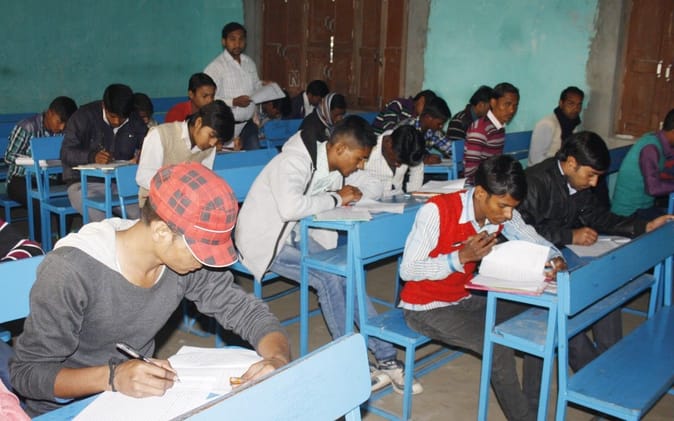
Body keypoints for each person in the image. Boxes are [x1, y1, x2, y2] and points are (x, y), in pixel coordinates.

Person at [10, 162, 290, 416]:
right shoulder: (70, 271)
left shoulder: (183, 262)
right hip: (67, 407)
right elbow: (27, 374)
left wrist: (277, 359)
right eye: (201, 252)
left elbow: (247, 313)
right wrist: (113, 377)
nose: (206, 263)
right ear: (161, 232)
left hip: (135, 398)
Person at [235, 116, 421, 394]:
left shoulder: (333, 166)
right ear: (341, 149)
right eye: (359, 159)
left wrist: (344, 196)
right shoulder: (293, 161)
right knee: (329, 279)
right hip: (263, 241)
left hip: (294, 236)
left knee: (348, 271)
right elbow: (290, 207)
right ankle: (350, 361)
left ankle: (386, 357)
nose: (361, 165)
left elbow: (357, 188)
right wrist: (337, 197)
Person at [399, 155, 564, 421]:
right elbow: (407, 269)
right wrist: (459, 258)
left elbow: (528, 236)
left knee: (538, 316)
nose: (508, 214)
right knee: (498, 347)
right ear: (480, 193)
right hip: (425, 308)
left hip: (464, 296)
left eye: (512, 207)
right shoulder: (437, 211)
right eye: (503, 206)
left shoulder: (499, 209)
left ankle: (533, 405)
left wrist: (554, 257)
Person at [517, 131, 673, 387]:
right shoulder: (534, 182)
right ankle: (600, 382)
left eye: (598, 176)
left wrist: (643, 227)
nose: (594, 183)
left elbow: (599, 217)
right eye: (590, 175)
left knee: (604, 288)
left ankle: (612, 361)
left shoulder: (576, 182)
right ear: (571, 163)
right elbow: (522, 232)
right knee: (570, 321)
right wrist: (570, 235)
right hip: (531, 263)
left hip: (561, 256)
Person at [60, 84, 148, 222]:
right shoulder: (83, 117)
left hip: (120, 184)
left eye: (122, 118)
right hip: (83, 184)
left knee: (144, 218)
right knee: (104, 222)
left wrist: (143, 154)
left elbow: (148, 143)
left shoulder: (134, 119)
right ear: (103, 105)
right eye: (112, 116)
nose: (117, 121)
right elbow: (66, 153)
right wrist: (92, 156)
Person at [3, 96, 77, 242]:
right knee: (38, 201)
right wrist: (33, 161)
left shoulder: (64, 132)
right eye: (59, 122)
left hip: (47, 178)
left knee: (70, 193)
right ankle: (39, 242)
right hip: (20, 179)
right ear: (49, 113)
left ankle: (64, 238)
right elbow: (8, 156)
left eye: (65, 124)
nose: (61, 127)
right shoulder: (27, 127)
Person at [136, 100, 234, 207]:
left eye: (218, 140)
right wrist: (177, 191)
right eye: (211, 135)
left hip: (186, 207)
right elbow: (144, 176)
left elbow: (203, 181)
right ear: (198, 122)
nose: (212, 143)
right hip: (153, 206)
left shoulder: (209, 148)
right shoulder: (160, 134)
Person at [204, 22, 264, 150]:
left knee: (255, 155)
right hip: (224, 127)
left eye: (241, 39)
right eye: (232, 39)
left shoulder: (249, 63)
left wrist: (264, 86)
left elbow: (256, 85)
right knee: (227, 160)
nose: (237, 44)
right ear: (224, 41)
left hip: (248, 125)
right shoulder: (215, 67)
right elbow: (207, 99)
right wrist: (233, 102)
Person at [612, 108, 674, 218]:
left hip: (644, 208)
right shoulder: (650, 148)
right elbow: (653, 189)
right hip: (629, 214)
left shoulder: (660, 141)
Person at [464, 82, 520, 185]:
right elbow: (471, 173)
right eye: (507, 104)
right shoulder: (480, 129)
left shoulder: (499, 127)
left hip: (491, 180)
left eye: (515, 105)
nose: (512, 110)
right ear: (493, 103)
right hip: (478, 184)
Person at [527, 86, 584, 166]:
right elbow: (535, 160)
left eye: (579, 104)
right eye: (571, 103)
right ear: (561, 103)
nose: (576, 108)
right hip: (541, 171)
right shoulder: (547, 124)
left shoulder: (573, 126)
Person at [363, 125, 426, 197]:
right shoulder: (366, 151)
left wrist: (412, 194)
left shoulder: (409, 146)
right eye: (398, 161)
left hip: (399, 199)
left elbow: (417, 169)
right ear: (388, 143)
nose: (398, 165)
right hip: (369, 200)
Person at [396, 96, 452, 164]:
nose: (441, 127)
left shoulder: (433, 132)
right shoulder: (407, 128)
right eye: (439, 124)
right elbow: (401, 153)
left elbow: (450, 148)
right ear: (428, 117)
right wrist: (424, 159)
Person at [372, 90, 437, 135]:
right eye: (426, 109)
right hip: (378, 141)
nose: (426, 112)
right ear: (421, 100)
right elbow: (388, 127)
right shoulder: (398, 104)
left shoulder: (419, 117)